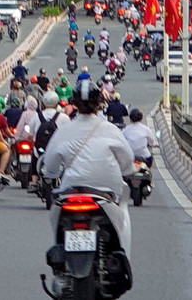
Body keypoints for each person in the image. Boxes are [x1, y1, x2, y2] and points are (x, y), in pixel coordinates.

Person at [40, 79, 135, 277]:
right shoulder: (110, 130)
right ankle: (123, 257)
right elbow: (127, 162)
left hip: (70, 192)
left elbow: (49, 168)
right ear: (99, 103)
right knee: (123, 215)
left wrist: (49, 176)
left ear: (74, 103)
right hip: (105, 194)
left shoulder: (63, 131)